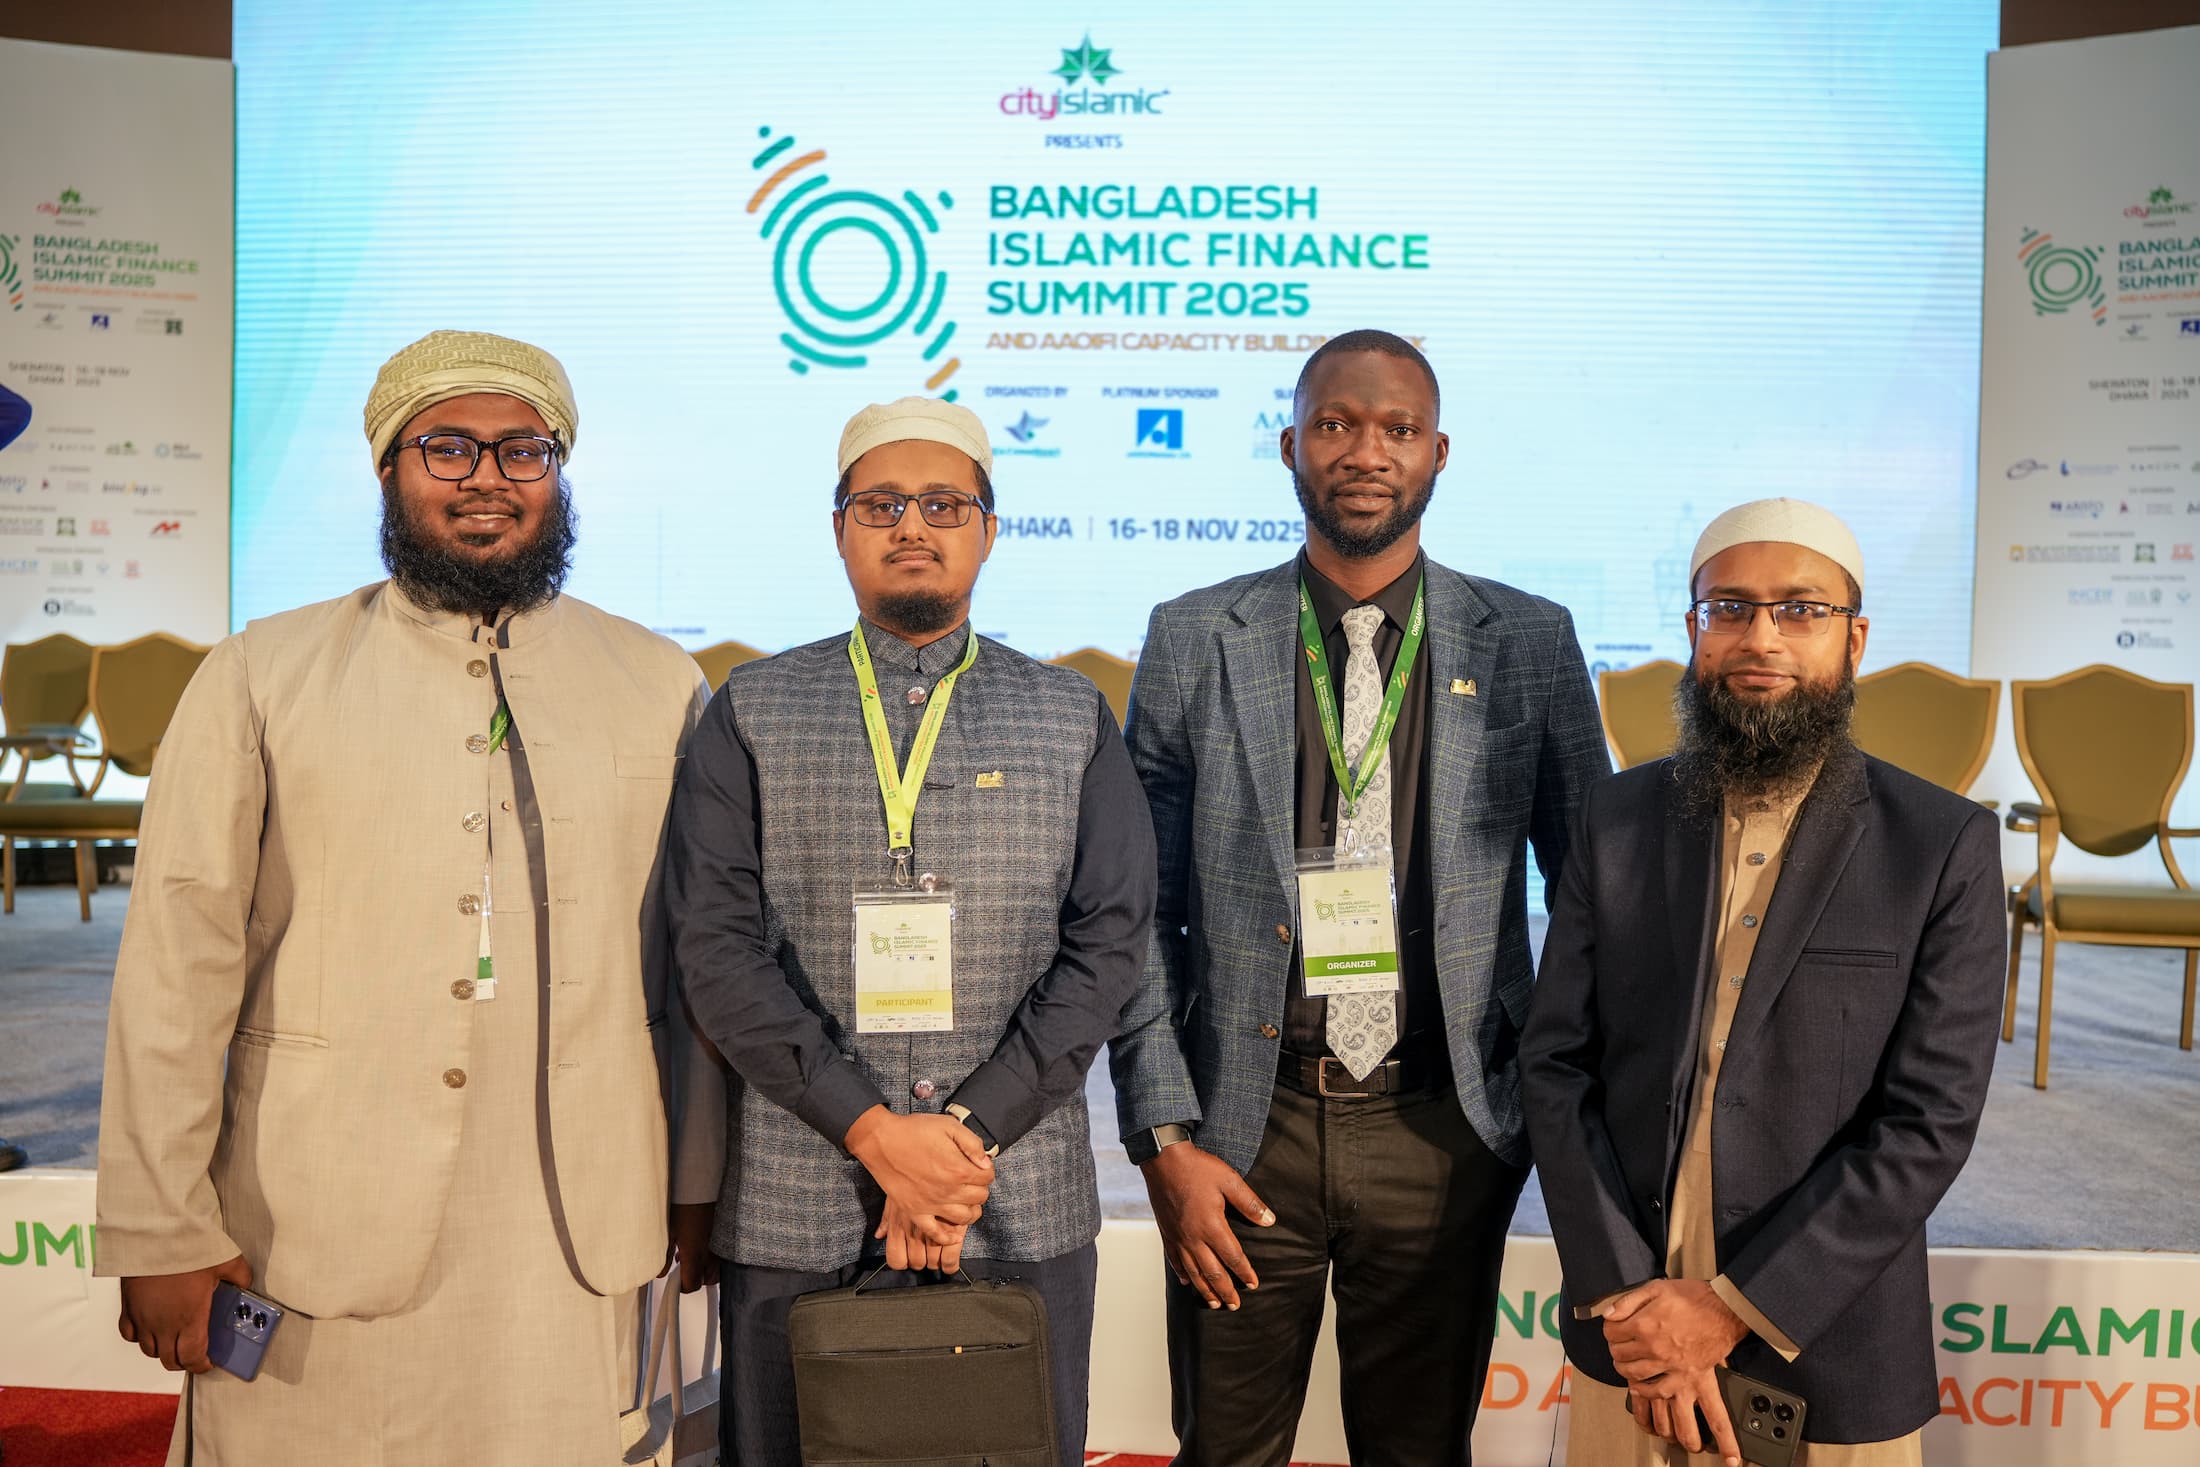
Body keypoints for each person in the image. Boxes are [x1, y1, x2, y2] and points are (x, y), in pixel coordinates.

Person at [95, 330, 709, 1464]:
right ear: (388, 467)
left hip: (574, 1226)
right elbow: (176, 968)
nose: (487, 478)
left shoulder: (657, 681)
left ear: (559, 471)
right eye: (447, 448)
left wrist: (701, 1185)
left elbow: (696, 966)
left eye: (523, 450)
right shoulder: (261, 674)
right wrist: (159, 1224)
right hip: (315, 1217)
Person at [1110, 330, 1609, 1465]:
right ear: (1291, 446)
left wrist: (1537, 1101)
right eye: (1335, 424)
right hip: (1245, 1129)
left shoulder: (1529, 640)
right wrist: (1164, 1134)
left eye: (1397, 428)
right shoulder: (1194, 636)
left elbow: (1592, 896)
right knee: (1224, 1450)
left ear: (1438, 452)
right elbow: (1137, 912)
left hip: (1444, 1129)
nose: (1366, 451)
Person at [665, 396, 1155, 1467]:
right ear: (839, 528)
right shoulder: (751, 709)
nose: (912, 526)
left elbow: (1110, 943)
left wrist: (961, 1138)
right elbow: (716, 947)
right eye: (881, 504)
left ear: (989, 527)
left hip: (1013, 1199)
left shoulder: (1070, 714)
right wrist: (875, 1133)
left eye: (944, 503)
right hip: (800, 1199)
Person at [1521, 498, 2006, 1466]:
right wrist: (1633, 1303)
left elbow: (1928, 1123)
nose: (1761, 639)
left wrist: (1728, 1310)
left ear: (1854, 638)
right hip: (1632, 1342)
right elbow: (1554, 1066)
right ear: (1694, 629)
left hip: (1825, 1346)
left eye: (1801, 610)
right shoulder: (1616, 820)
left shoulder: (1938, 845)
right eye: (1730, 608)